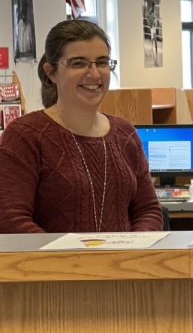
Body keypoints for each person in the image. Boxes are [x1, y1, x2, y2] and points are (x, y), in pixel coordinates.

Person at [0, 20, 163, 233]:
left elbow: (148, 210)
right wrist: (70, 262)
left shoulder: (125, 133)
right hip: (52, 265)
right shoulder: (25, 135)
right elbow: (11, 220)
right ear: (51, 72)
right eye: (79, 63)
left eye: (102, 62)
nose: (94, 74)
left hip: (123, 264)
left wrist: (132, 252)